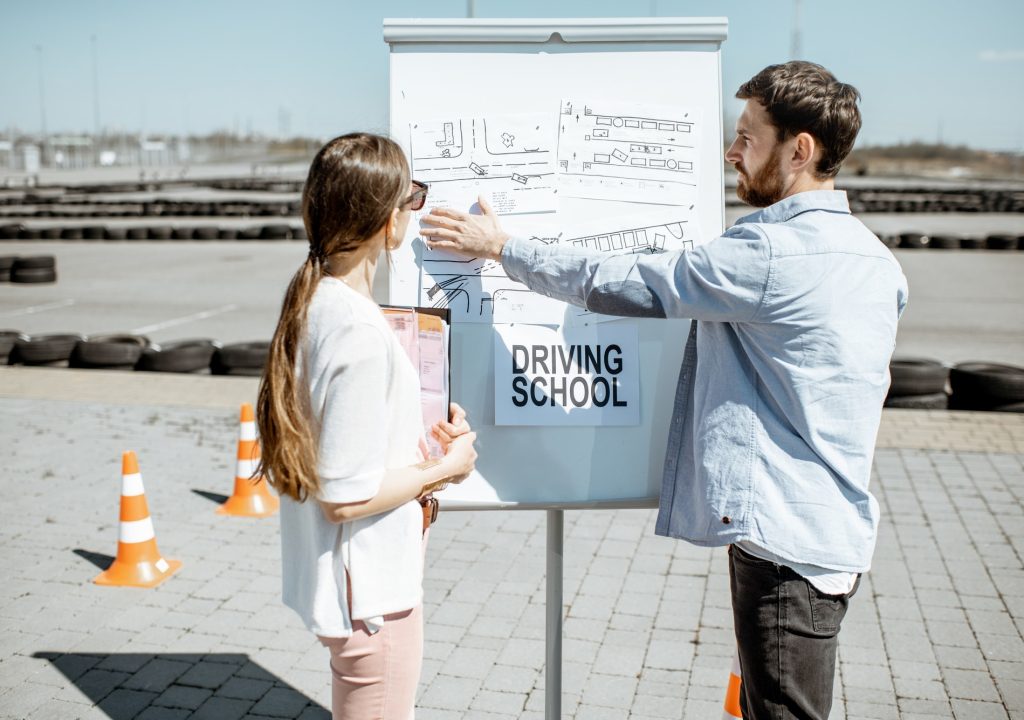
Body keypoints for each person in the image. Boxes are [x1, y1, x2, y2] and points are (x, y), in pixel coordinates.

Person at [420, 61, 908, 720]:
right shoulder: (876, 261)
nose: (733, 153)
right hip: (828, 531)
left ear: (801, 149)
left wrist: (503, 246)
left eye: (748, 137)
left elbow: (629, 281)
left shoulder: (768, 255)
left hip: (785, 545)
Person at [256, 132, 478, 720]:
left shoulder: (318, 302)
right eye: (414, 196)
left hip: (356, 591)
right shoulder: (355, 328)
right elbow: (346, 495)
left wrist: (422, 449)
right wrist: (445, 469)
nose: (418, 208)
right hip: (372, 600)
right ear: (385, 220)